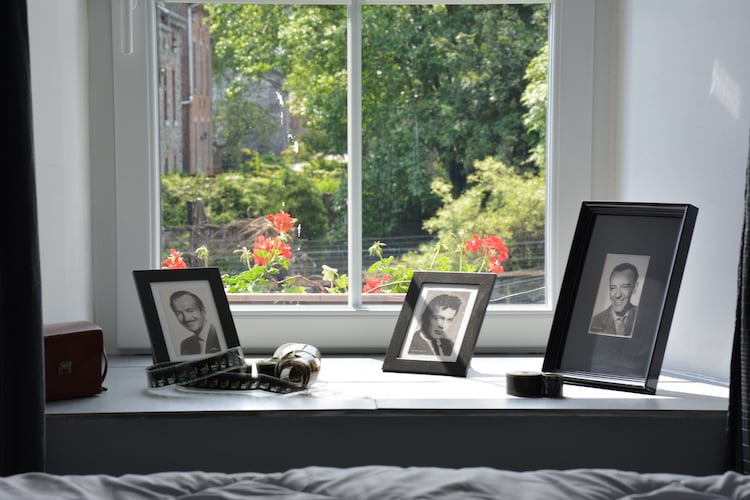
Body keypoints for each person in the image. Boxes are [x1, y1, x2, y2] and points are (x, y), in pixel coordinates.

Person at [589, 262, 640, 337]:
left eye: (624, 287)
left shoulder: (644, 318)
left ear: (635, 288)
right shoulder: (595, 321)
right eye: (613, 288)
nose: (617, 295)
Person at [169, 290, 221, 355]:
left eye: (190, 310)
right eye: (178, 313)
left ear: (203, 311)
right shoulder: (185, 345)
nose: (186, 318)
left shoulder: (221, 337)